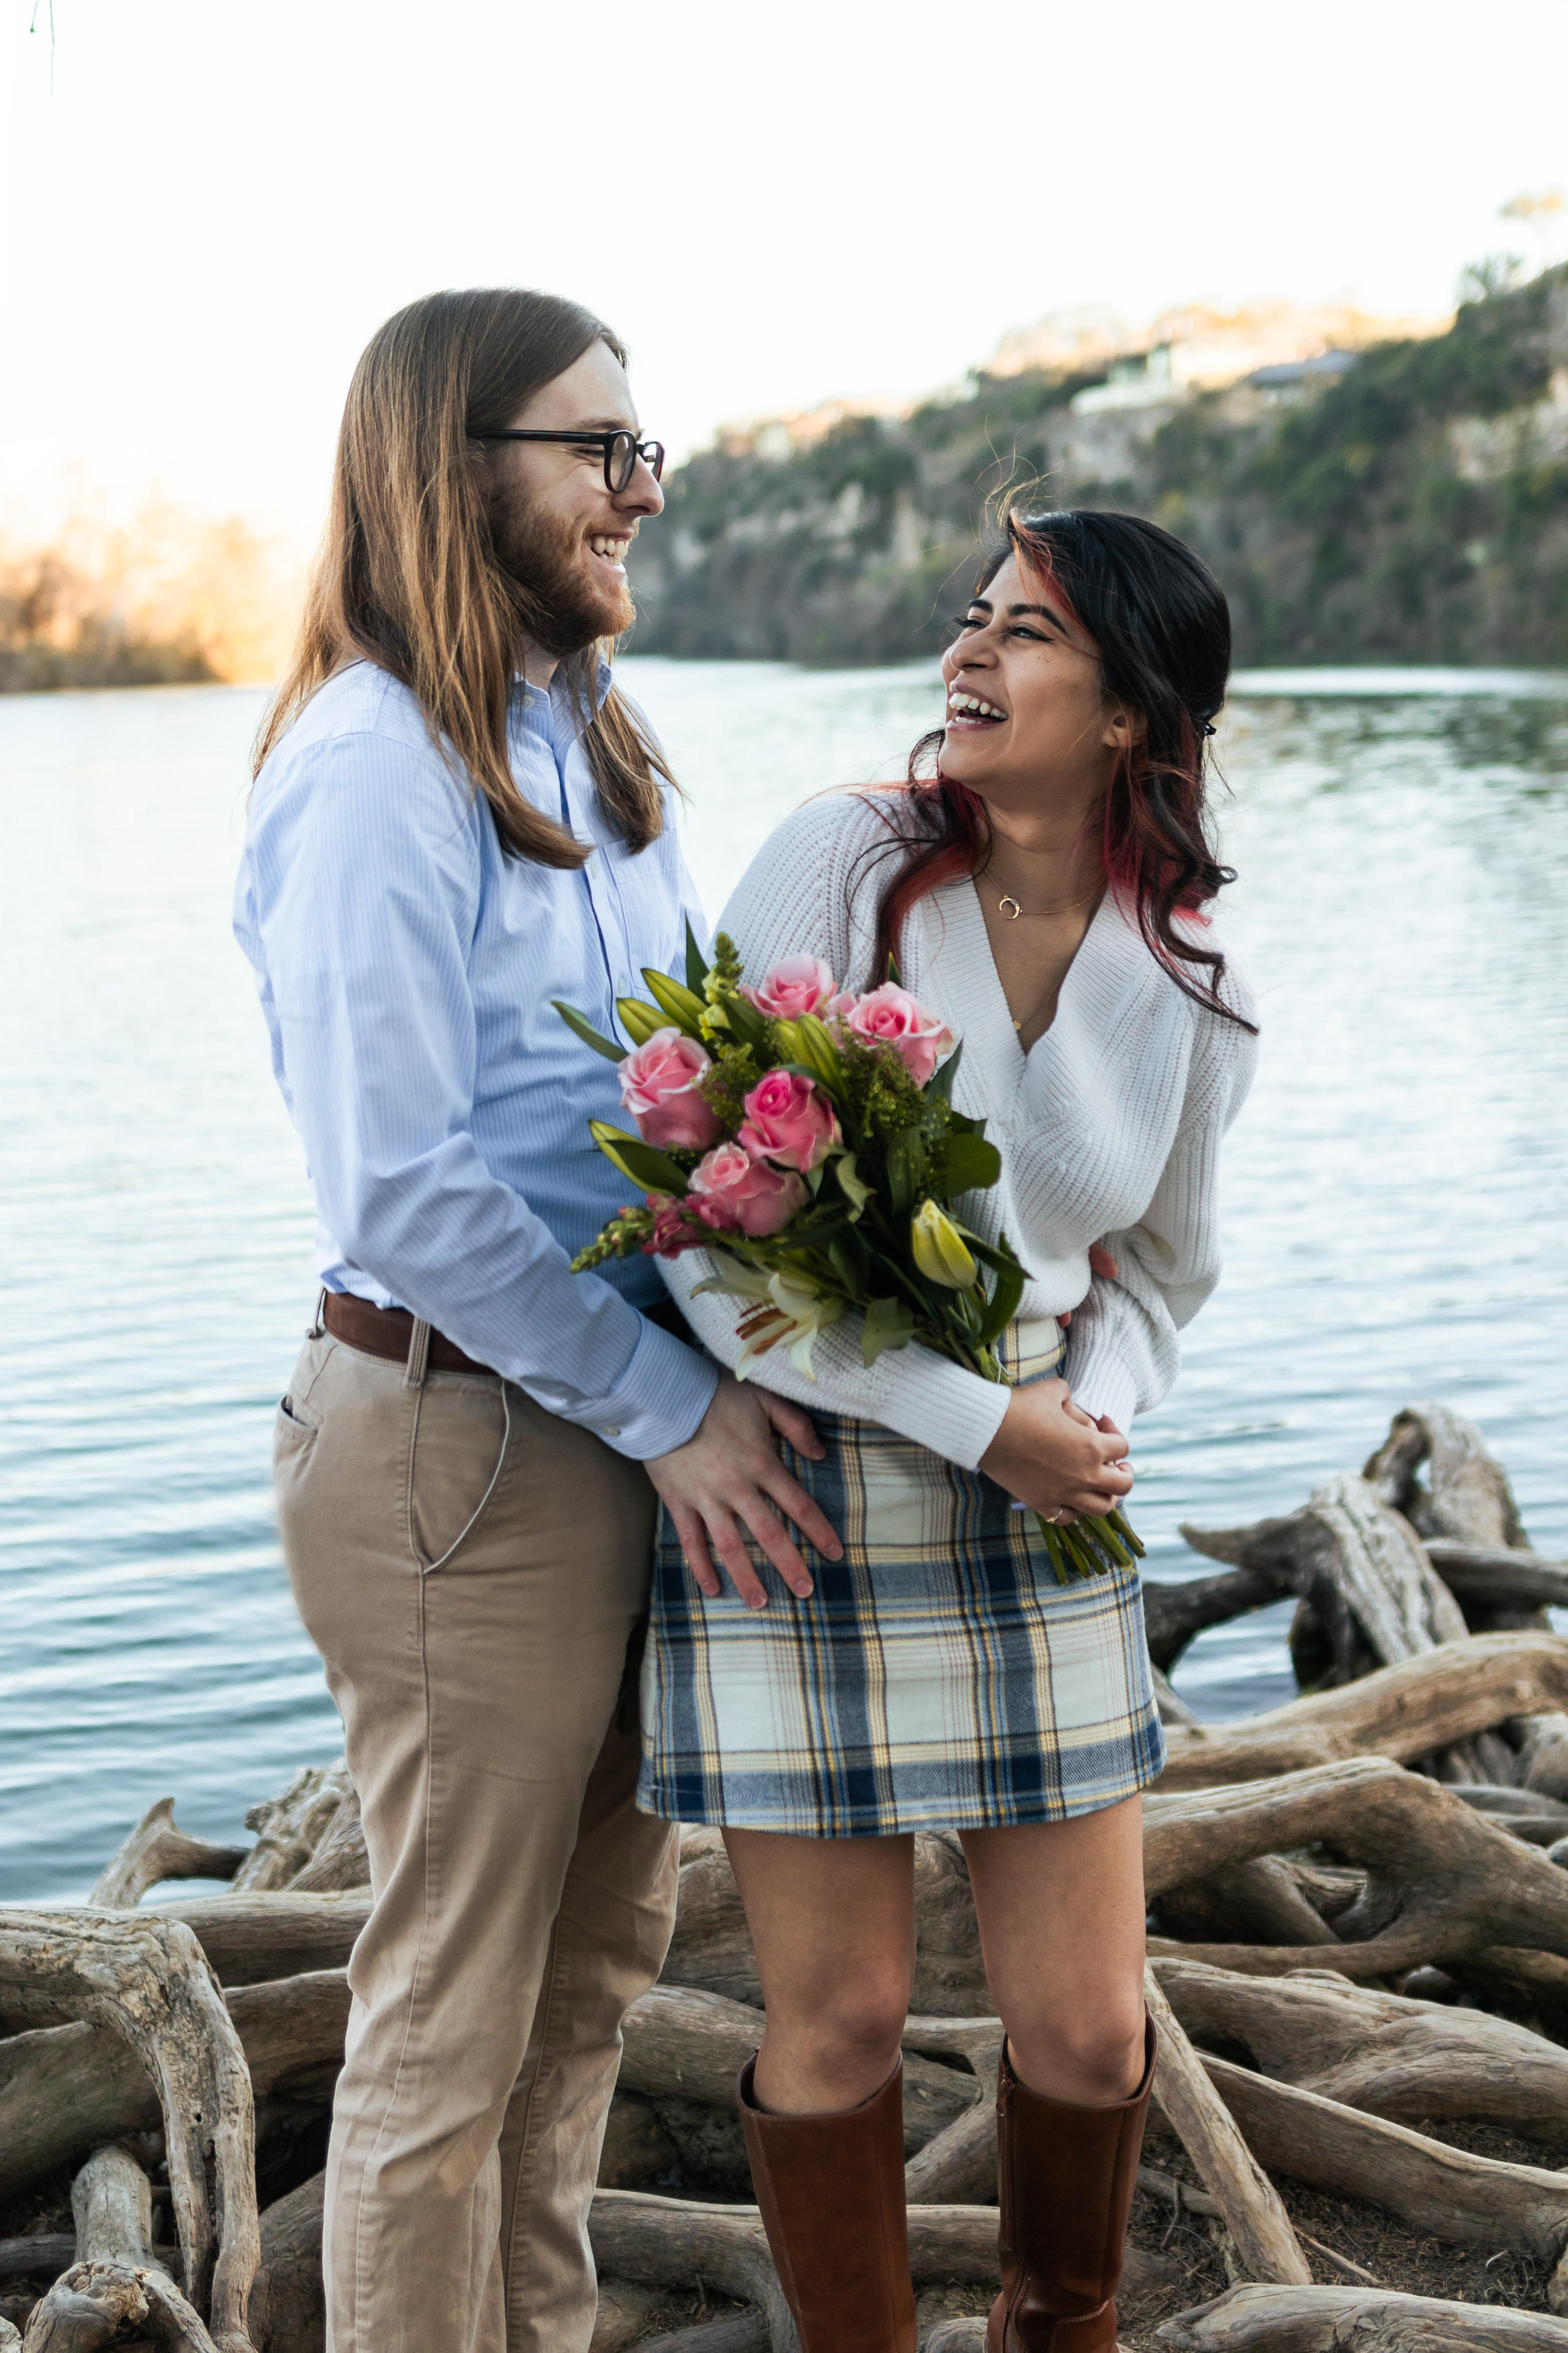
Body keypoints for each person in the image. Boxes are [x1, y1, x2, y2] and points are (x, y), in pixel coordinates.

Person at [233, 287, 843, 2353]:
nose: (639, 494)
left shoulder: (587, 737)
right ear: (451, 464)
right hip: (460, 1448)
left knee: (584, 1998)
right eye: (599, 451)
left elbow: (655, 1112)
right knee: (444, 2026)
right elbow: (402, 1180)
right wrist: (676, 1414)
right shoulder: (368, 770)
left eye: (644, 451)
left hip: (611, 1429)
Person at [646, 509, 1259, 2353]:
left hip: (1045, 1501)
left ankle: (1057, 2328)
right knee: (832, 2020)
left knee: (1083, 2024)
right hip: (799, 1487)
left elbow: (1161, 1273)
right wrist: (968, 1414)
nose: (966, 658)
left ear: (1137, 713)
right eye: (970, 621)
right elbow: (703, 1235)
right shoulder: (845, 862)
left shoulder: (1196, 973)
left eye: (1027, 633)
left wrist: (1087, 1418)